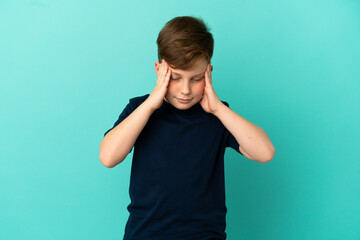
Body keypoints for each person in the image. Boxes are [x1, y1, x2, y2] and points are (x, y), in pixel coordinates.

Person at [99, 16, 275, 240]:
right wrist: (151, 104)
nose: (185, 90)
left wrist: (219, 109)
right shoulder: (139, 109)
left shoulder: (217, 115)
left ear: (209, 72)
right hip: (145, 234)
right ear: (159, 69)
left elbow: (265, 152)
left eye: (196, 79)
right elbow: (108, 157)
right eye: (175, 77)